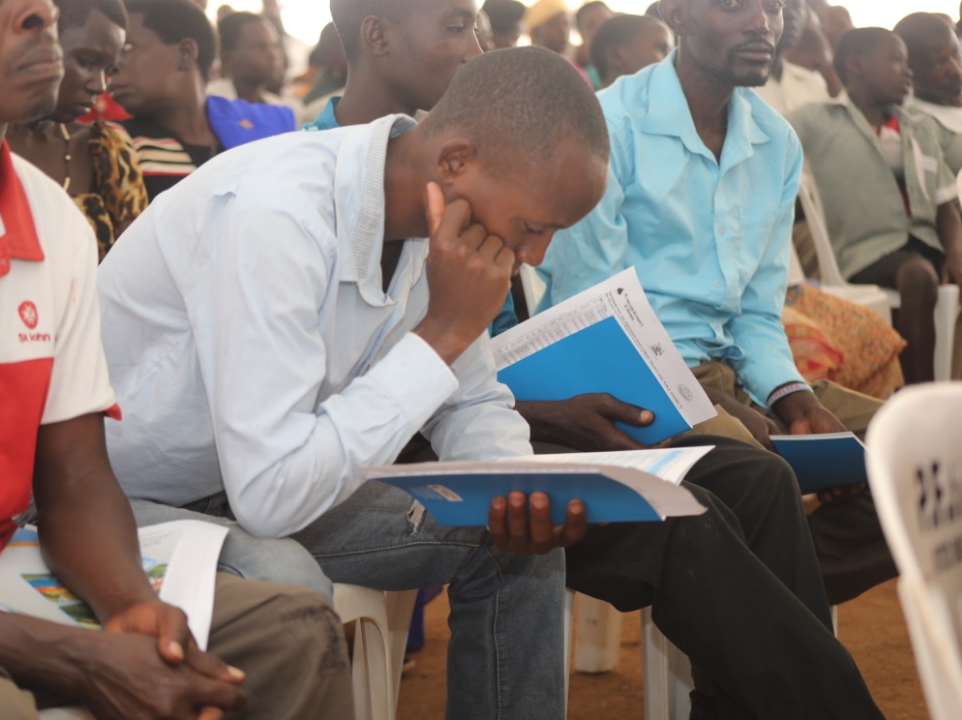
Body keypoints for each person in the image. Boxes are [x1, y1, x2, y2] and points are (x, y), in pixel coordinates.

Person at [102, 2, 886, 706]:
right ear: (454, 162)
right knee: (291, 580)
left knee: (580, 533)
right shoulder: (276, 216)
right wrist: (441, 331)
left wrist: (516, 484)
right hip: (134, 501)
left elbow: (474, 403)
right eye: (536, 224)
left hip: (284, 478)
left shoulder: (442, 216)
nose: (538, 254)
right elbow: (270, 493)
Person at [0, 1, 353, 719]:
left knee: (288, 634)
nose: (39, 13)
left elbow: (74, 474)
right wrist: (60, 653)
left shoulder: (53, 225)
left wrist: (130, 605)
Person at [540, 0, 896, 605]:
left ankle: (746, 593)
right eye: (735, 5)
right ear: (675, 16)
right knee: (759, 480)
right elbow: (590, 314)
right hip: (637, 382)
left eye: (776, 7)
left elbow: (757, 311)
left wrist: (793, 397)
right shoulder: (608, 125)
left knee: (932, 455)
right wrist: (700, 396)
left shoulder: (774, 141)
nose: (763, 23)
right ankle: (763, 604)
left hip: (736, 373)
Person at [790, 28, 962, 386]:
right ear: (857, 64)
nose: (909, 71)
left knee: (926, 269)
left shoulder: (919, 127)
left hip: (924, 247)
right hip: (864, 251)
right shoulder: (816, 119)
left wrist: (956, 251)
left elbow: (947, 202)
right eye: (897, 60)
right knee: (918, 275)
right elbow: (768, 144)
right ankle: (919, 397)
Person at [111, 0, 295, 200]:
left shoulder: (272, 128)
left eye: (127, 48)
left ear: (185, 53)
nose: (112, 65)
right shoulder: (115, 144)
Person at [7, 0, 147, 261]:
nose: (100, 85)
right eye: (86, 61)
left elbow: (134, 273)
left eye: (109, 70)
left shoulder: (108, 151)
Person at [302, 0, 482, 131]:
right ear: (378, 36)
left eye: (474, 30)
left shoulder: (458, 153)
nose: (477, 55)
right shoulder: (303, 169)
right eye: (456, 28)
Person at [896, 12, 962, 176]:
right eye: (940, 63)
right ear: (910, 71)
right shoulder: (920, 125)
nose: (955, 69)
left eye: (956, 54)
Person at [207, 11, 296, 109]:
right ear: (227, 58)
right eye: (260, 47)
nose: (273, 55)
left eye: (275, 46)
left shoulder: (284, 109)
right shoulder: (208, 105)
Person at [588, 12, 673, 89]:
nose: (671, 57)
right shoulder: (597, 105)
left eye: (671, 50)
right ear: (617, 57)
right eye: (660, 48)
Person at [573, 1, 613, 89]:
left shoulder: (634, 63)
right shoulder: (579, 79)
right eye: (591, 25)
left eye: (605, 22)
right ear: (581, 33)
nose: (599, 29)